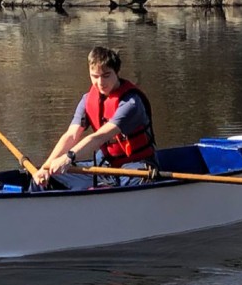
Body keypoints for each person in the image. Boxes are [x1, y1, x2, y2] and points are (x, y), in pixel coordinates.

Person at [33, 46, 157, 190]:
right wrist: (46, 167)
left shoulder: (131, 104)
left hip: (136, 165)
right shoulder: (87, 100)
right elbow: (71, 135)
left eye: (106, 75)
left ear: (116, 73)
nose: (100, 83)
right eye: (95, 76)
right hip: (105, 163)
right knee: (45, 179)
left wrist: (68, 158)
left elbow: (99, 137)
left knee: (123, 188)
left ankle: (104, 190)